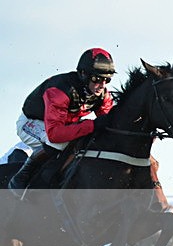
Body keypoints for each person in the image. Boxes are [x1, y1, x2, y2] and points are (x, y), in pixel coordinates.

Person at [8, 48, 116, 197]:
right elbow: (55, 134)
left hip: (62, 125)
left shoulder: (102, 95)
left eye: (107, 80)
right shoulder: (59, 91)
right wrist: (91, 125)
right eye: (97, 79)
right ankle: (21, 176)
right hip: (32, 124)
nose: (102, 85)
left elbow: (110, 122)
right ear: (83, 74)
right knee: (58, 144)